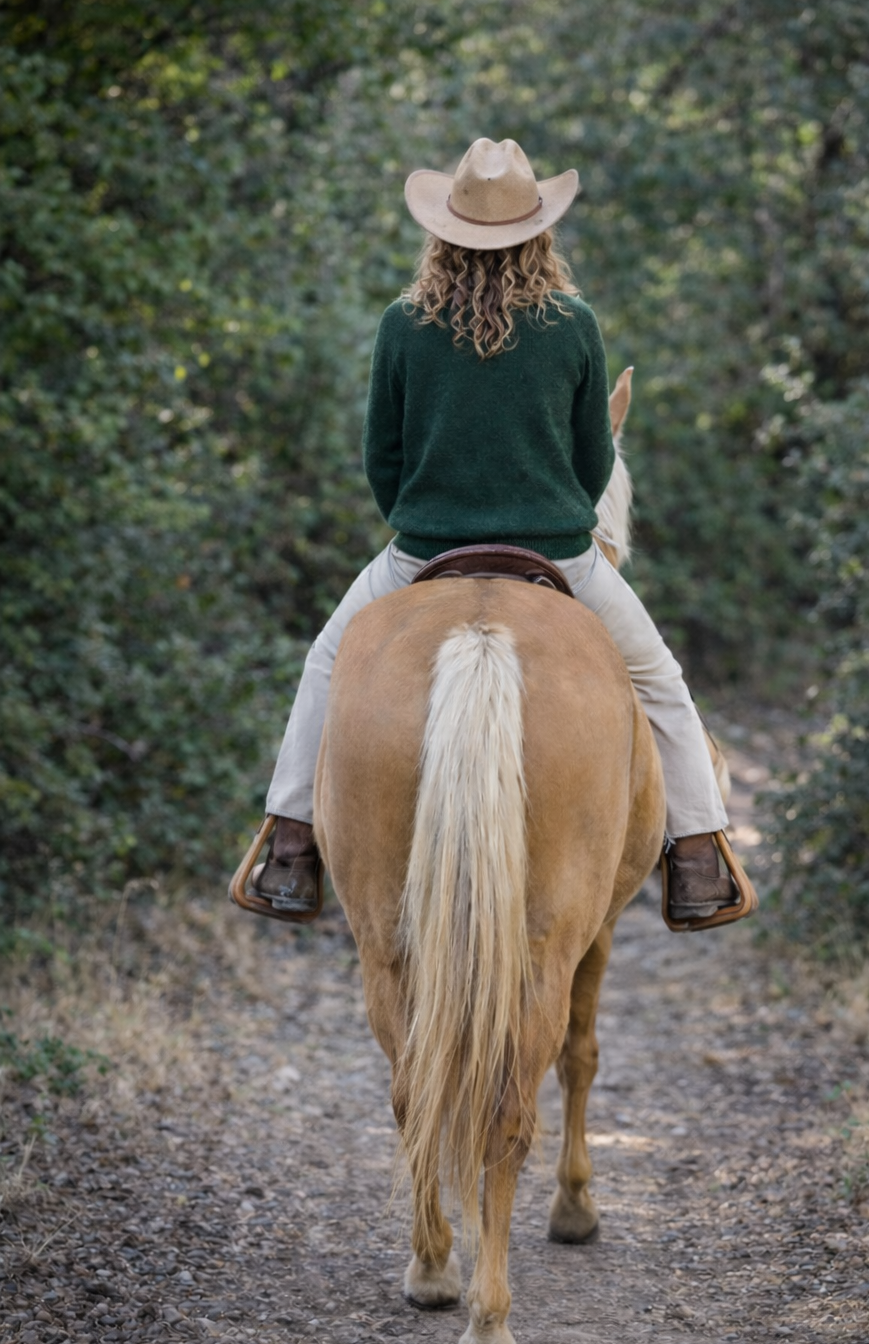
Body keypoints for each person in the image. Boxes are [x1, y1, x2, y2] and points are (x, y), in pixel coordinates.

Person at [255, 138, 733, 926]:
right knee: (662, 685)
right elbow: (593, 461)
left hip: (422, 550)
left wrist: (422, 518)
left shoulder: (403, 324)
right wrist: (555, 514)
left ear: (443, 231)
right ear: (539, 229)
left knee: (326, 665)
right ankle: (699, 856)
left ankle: (291, 847)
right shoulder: (574, 324)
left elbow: (382, 458)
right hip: (560, 554)